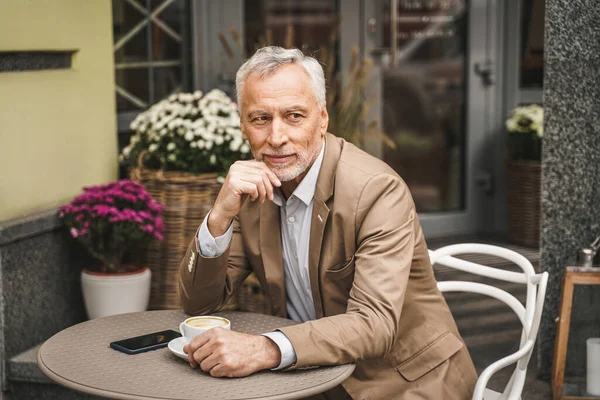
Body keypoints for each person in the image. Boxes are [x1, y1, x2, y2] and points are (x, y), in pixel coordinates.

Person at [179, 46, 477, 399]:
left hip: (403, 381)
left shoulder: (376, 191)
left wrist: (267, 349)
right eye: (260, 118)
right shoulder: (250, 192)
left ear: (322, 119)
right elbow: (199, 306)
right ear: (243, 125)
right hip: (310, 376)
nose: (276, 137)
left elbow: (374, 325)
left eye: (294, 116)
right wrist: (220, 215)